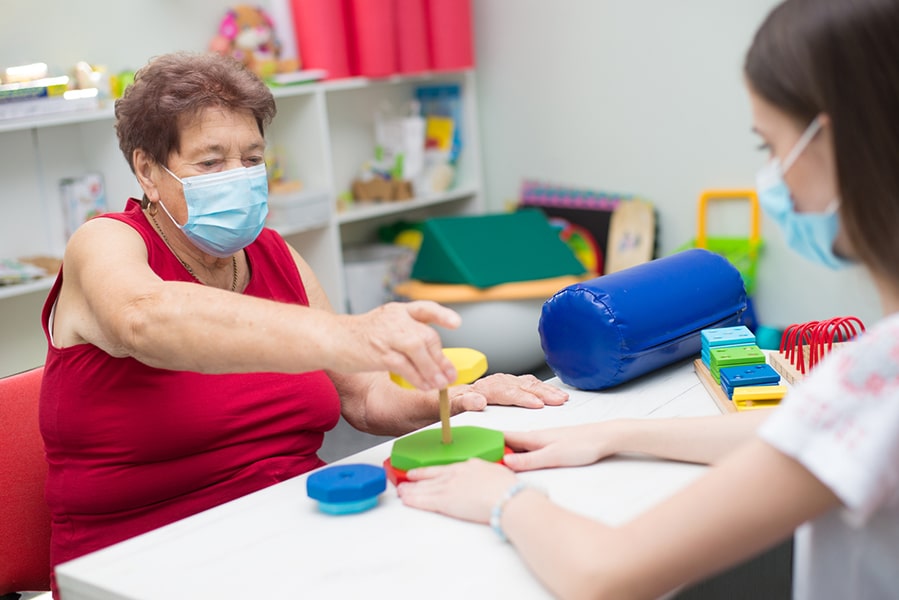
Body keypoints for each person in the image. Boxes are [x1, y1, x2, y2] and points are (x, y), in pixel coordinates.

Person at [397, 0, 899, 598]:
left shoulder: (879, 375)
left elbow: (605, 573)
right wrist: (615, 433)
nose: (771, 176)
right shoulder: (869, 387)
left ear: (839, 140)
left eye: (770, 146)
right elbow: (802, 430)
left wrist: (503, 499)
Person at [39, 51, 568, 591]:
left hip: (294, 532)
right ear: (148, 170)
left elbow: (363, 398)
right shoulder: (104, 243)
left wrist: (450, 400)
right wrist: (349, 334)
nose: (239, 178)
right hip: (139, 564)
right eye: (210, 162)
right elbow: (144, 321)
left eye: (251, 158)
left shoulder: (275, 254)